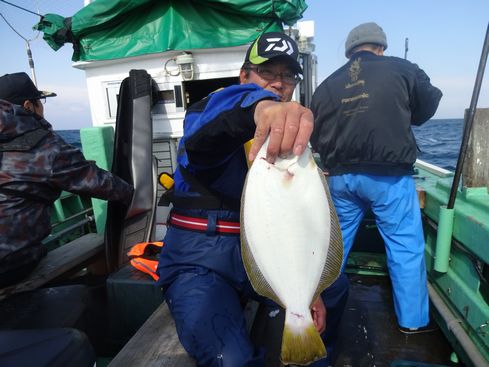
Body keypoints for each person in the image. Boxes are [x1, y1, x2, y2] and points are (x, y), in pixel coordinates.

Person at [156, 32, 349, 366]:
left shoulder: (291, 140)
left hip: (268, 251)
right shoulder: (209, 112)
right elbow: (212, 132)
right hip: (202, 259)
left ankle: (313, 356)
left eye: (287, 75)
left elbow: (298, 218)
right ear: (244, 76)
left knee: (335, 288)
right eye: (267, 73)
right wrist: (260, 109)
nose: (278, 83)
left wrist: (311, 284)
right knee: (230, 359)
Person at [310, 22, 442, 334]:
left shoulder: (325, 85)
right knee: (404, 247)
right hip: (388, 179)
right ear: (380, 47)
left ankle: (315, 308)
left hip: (340, 181)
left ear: (349, 51)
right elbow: (427, 106)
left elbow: (316, 136)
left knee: (334, 250)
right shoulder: (402, 68)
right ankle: (412, 323)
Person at [0, 72, 133, 288]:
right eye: (40, 102)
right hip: (9, 263)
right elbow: (105, 186)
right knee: (98, 248)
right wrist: (139, 193)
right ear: (28, 106)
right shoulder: (45, 146)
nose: (43, 108)